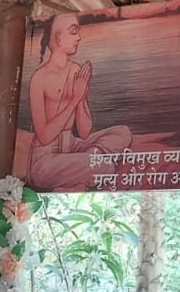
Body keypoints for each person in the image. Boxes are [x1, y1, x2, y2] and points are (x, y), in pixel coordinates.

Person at [24, 13, 133, 191]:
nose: (79, 38)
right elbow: (44, 136)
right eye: (73, 32)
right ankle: (91, 160)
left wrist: (82, 96)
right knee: (105, 167)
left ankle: (89, 158)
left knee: (123, 133)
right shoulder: (39, 78)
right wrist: (75, 99)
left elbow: (84, 132)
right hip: (46, 159)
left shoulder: (75, 70)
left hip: (73, 145)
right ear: (58, 38)